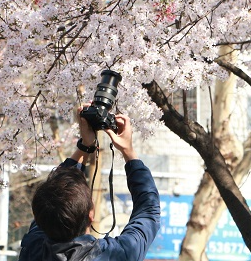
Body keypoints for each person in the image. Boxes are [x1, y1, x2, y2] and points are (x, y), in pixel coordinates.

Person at [18, 109, 161, 261]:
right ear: (91, 215)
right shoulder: (115, 254)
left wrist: (85, 146)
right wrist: (128, 150)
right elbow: (148, 211)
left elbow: (149, 212)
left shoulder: (33, 249)